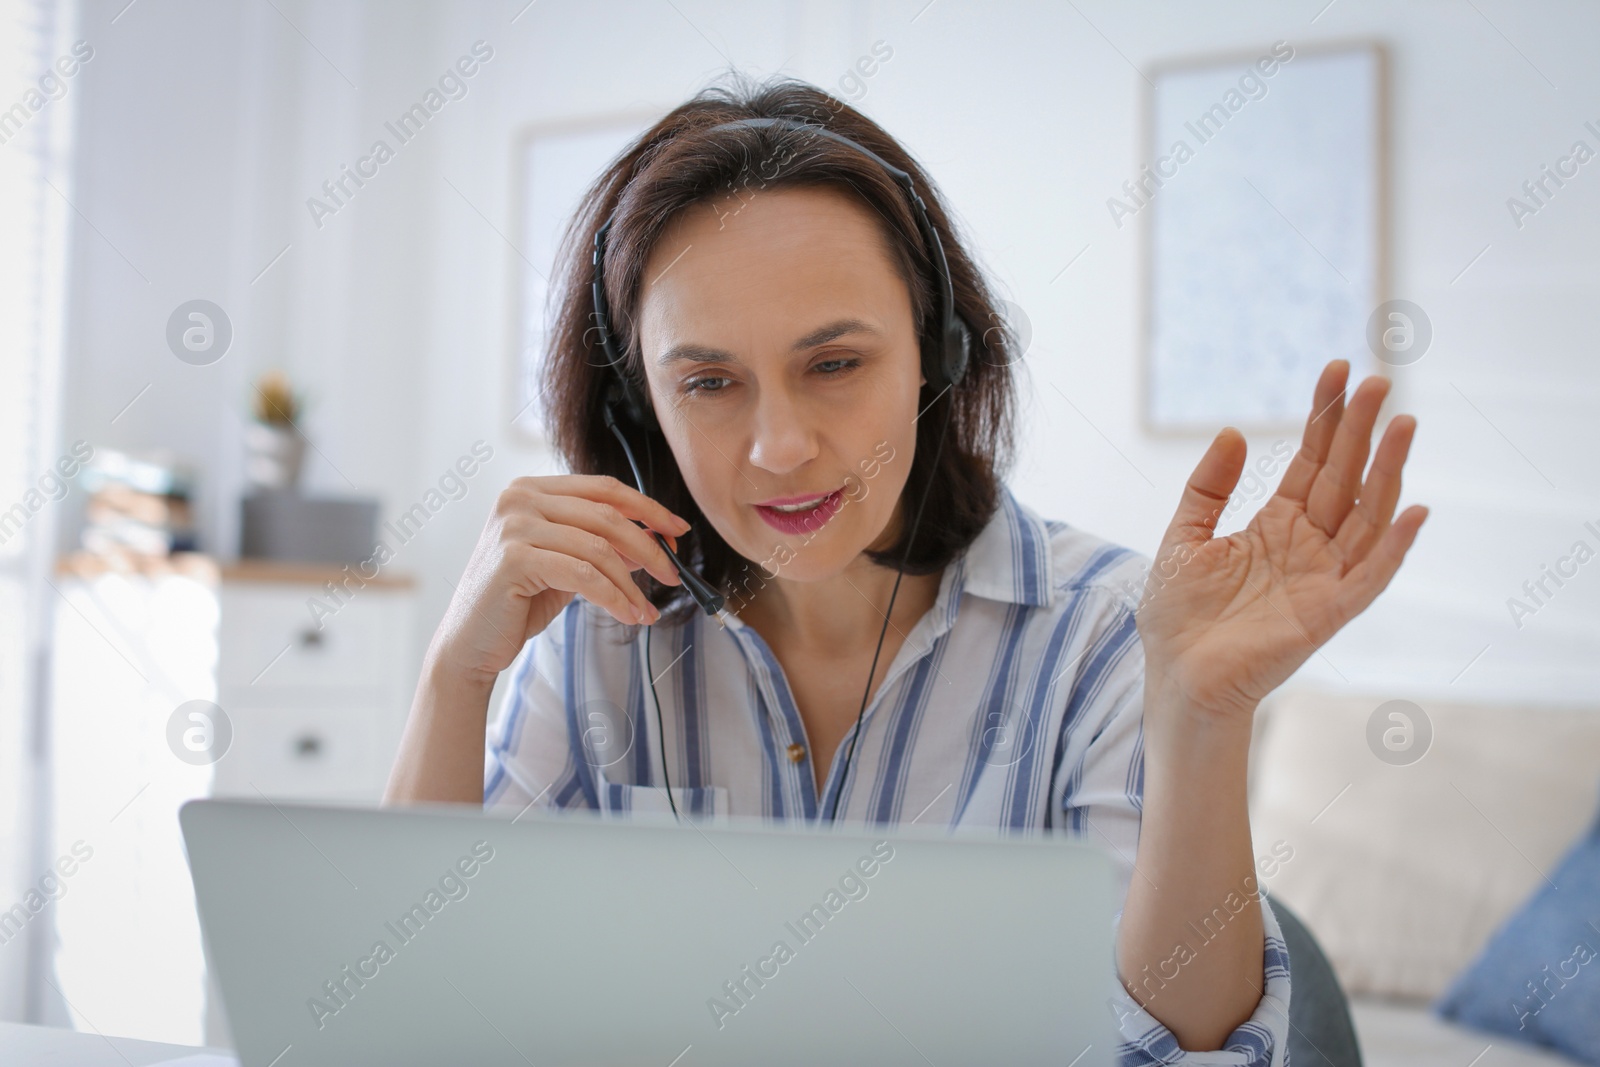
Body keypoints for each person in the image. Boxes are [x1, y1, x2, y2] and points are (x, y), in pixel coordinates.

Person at [384, 75, 1426, 1064]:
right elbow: (405, 1008)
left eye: (834, 363)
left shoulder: (1105, 628)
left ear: (939, 351)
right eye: (708, 381)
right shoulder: (600, 624)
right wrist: (453, 678)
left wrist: (1199, 718)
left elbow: (1176, 1052)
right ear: (635, 408)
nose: (780, 445)